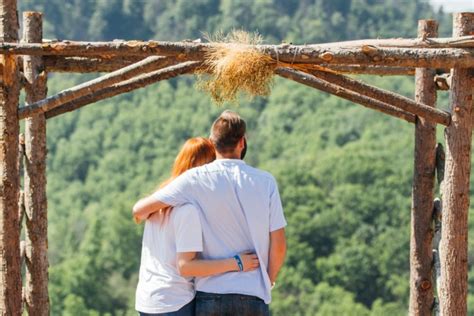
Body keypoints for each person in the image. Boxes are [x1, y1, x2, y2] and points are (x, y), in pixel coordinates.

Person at [133, 111, 287, 316]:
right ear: (242, 142)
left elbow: (139, 210)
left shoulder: (194, 179)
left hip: (209, 294)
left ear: (213, 144)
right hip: (253, 292)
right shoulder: (266, 182)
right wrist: (268, 280)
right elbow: (279, 245)